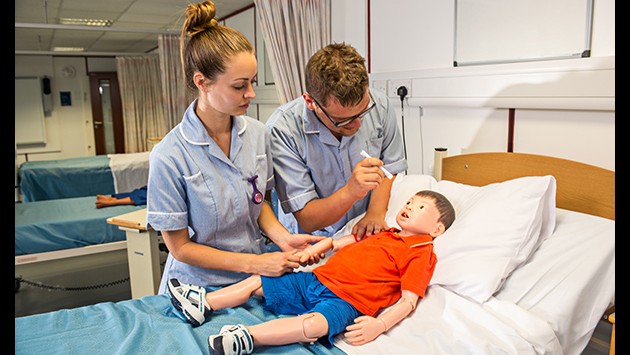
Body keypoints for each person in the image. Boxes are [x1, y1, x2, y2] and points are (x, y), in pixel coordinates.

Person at [145, 0, 325, 295]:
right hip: (198, 290)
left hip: (253, 283)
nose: (251, 93)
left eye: (252, 82)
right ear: (202, 82)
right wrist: (256, 264)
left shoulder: (257, 134)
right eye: (239, 86)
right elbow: (179, 248)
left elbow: (259, 203)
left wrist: (283, 238)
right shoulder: (170, 155)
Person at [167, 190, 456, 355]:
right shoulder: (385, 233)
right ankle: (202, 303)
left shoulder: (420, 253)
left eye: (420, 207)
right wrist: (316, 249)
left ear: (436, 229)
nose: (408, 207)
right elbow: (345, 242)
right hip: (316, 279)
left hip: (347, 302)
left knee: (315, 326)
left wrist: (379, 326)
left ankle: (246, 337)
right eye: (409, 202)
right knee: (261, 280)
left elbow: (408, 301)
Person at [266, 42, 408, 241]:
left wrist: (374, 213)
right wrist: (351, 191)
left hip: (362, 225)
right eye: (343, 120)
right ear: (310, 102)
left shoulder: (381, 105)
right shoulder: (283, 129)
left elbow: (389, 169)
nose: (357, 124)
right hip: (313, 239)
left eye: (363, 112)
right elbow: (307, 218)